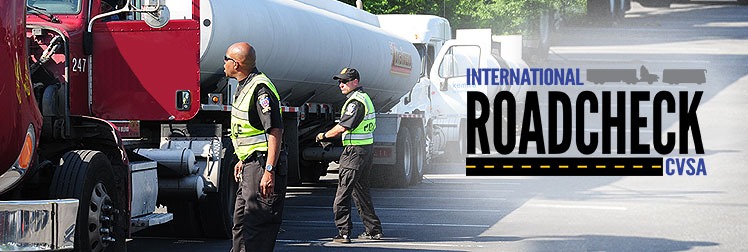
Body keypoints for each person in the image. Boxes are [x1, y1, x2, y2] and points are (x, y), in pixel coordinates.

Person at [225, 42, 287, 252]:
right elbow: (251, 129)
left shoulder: (260, 90)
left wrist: (269, 170)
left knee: (257, 226)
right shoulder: (246, 85)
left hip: (261, 166)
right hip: (251, 164)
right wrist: (242, 159)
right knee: (241, 223)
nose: (223, 64)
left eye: (226, 60)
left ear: (236, 64)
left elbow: (274, 130)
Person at [316, 67, 383, 243]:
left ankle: (344, 232)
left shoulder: (355, 102)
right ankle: (373, 230)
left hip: (354, 152)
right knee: (360, 192)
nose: (341, 84)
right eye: (339, 81)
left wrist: (323, 136)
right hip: (365, 150)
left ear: (355, 82)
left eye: (344, 81)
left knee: (343, 193)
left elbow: (343, 127)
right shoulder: (364, 98)